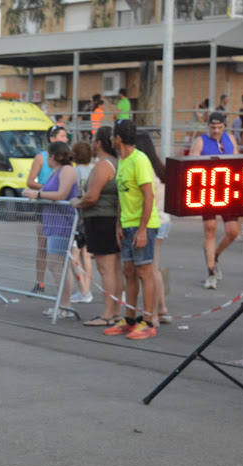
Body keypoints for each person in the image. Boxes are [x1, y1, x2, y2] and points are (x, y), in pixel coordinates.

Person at [104, 120, 160, 340]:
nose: (111, 139)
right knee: (129, 271)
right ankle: (129, 319)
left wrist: (143, 229)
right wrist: (119, 224)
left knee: (145, 271)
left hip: (142, 224)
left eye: (113, 136)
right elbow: (121, 196)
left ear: (118, 138)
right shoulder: (123, 161)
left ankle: (147, 321)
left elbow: (149, 196)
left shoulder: (140, 160)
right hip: (127, 225)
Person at [71, 126, 123, 327]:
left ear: (100, 143)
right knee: (115, 269)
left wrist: (78, 202)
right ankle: (116, 311)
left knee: (106, 269)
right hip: (110, 219)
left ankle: (108, 313)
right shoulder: (117, 163)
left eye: (94, 140)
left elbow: (92, 197)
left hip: (101, 219)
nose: (92, 144)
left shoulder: (103, 166)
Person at [23, 141, 78, 319]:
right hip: (53, 222)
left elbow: (62, 194)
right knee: (57, 265)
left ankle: (65, 305)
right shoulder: (57, 171)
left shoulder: (67, 170)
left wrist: (37, 194)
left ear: (54, 156)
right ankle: (62, 304)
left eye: (49, 156)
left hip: (63, 223)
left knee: (57, 264)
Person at [189, 112, 240, 289]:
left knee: (233, 231)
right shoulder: (200, 142)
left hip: (228, 190)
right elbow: (192, 168)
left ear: (224, 126)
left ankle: (215, 255)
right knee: (210, 229)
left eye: (219, 127)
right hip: (208, 192)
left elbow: (238, 164)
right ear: (208, 126)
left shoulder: (231, 140)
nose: (216, 131)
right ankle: (210, 272)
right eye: (213, 127)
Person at [26, 124, 69, 293]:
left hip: (62, 206)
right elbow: (30, 182)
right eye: (62, 136)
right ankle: (40, 282)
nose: (66, 139)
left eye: (66, 136)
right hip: (44, 204)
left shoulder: (67, 159)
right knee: (43, 245)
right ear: (52, 139)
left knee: (64, 248)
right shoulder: (42, 158)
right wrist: (45, 189)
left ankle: (67, 286)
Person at [134, 133, 171, 326]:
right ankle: (162, 309)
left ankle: (154, 313)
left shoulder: (147, 172)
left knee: (151, 269)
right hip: (164, 220)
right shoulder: (161, 170)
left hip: (153, 221)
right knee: (154, 266)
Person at [69, 141, 94, 304]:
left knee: (74, 254)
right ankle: (87, 288)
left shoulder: (74, 172)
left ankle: (84, 290)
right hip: (90, 217)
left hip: (78, 216)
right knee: (86, 255)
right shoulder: (93, 170)